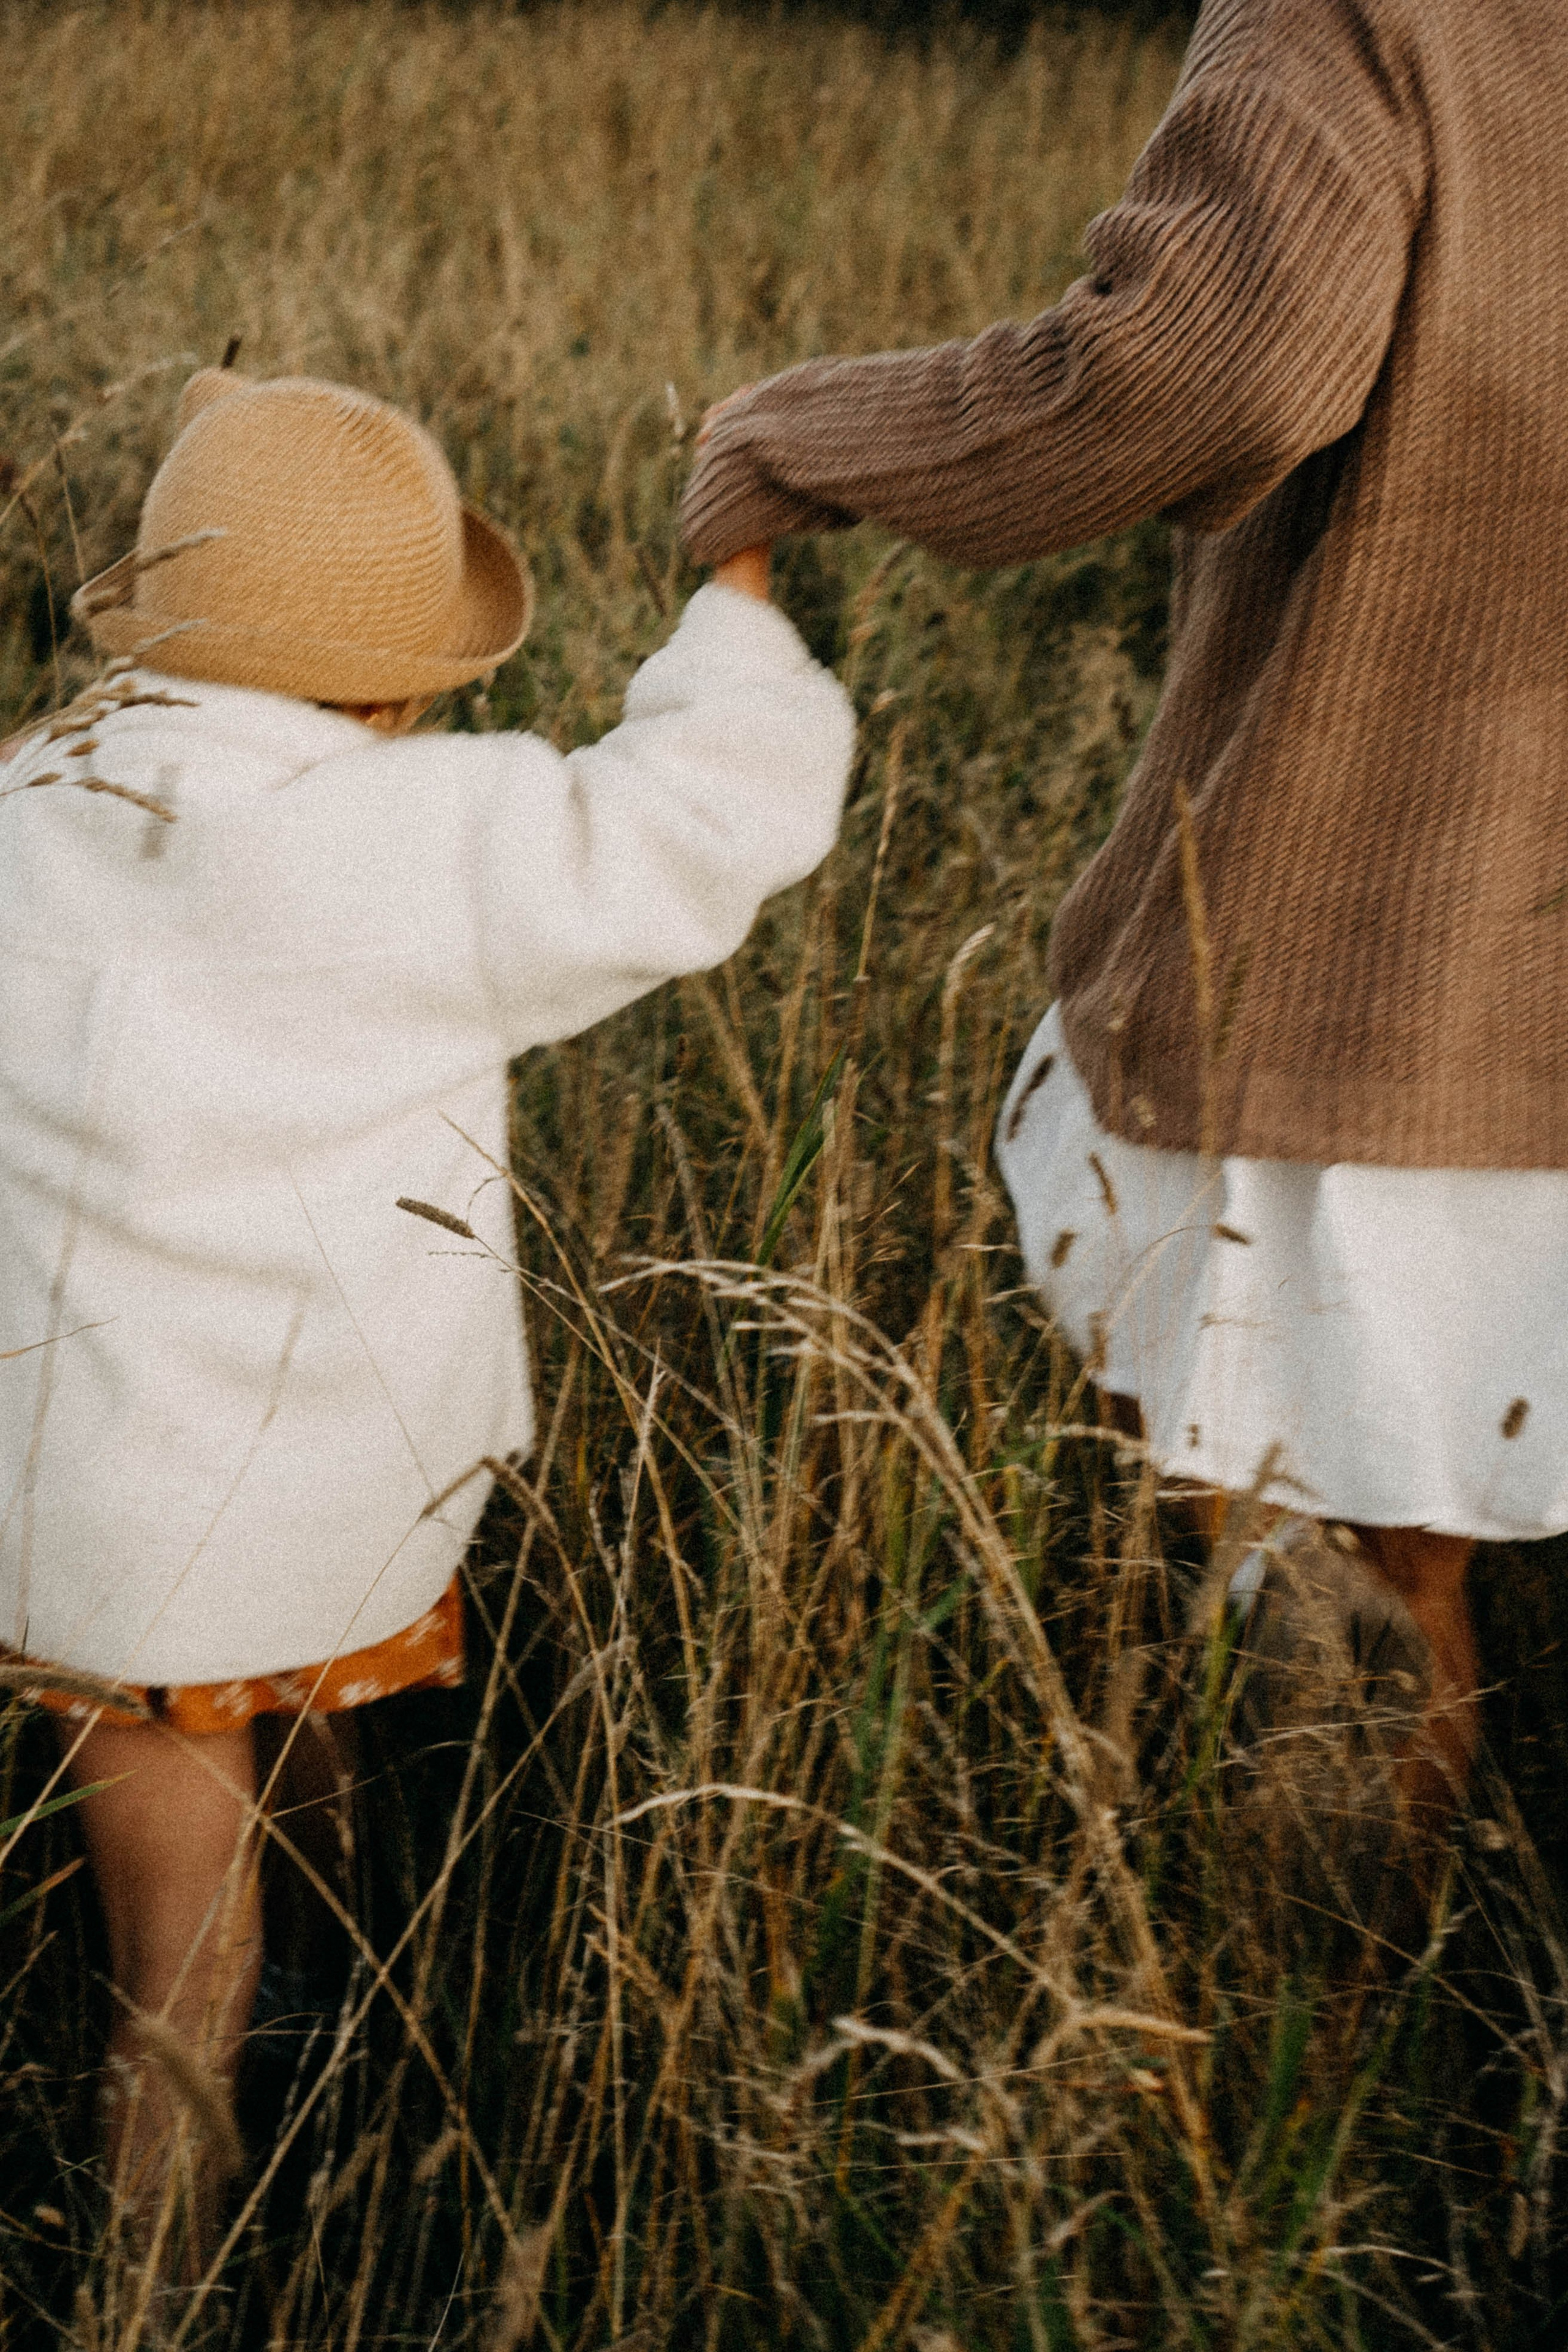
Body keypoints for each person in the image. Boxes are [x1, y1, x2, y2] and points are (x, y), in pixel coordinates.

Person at [680, 0, 1568, 1843]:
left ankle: (1287, 2028)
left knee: (1335, 1551)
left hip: (1406, 952)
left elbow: (1209, 374)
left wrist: (802, 435)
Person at [0, 364, 844, 2252]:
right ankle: (187, 2256)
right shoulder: (418, 837)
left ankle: (248, 2122)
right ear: (394, 684)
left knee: (176, 1921)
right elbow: (708, 815)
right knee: (224, 1920)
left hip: (78, 1514)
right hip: (322, 1481)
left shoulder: (31, 800)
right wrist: (738, 593)